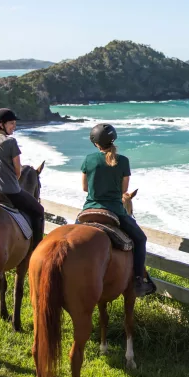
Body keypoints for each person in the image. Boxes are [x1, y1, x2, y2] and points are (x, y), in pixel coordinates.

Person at [80, 123, 156, 297]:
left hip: (89, 209)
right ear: (113, 140)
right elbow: (123, 190)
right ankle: (138, 280)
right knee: (140, 239)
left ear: (95, 142)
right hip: (115, 211)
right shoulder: (123, 161)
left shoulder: (88, 159)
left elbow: (85, 188)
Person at [0, 108, 45, 246]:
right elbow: (17, 172)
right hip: (10, 192)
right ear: (1, 125)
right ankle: (36, 249)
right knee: (39, 211)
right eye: (11, 123)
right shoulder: (11, 142)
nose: (14, 126)